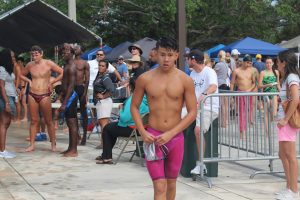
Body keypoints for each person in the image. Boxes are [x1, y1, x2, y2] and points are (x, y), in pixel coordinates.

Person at [131, 37, 197, 200]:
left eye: (169, 55)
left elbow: (192, 112)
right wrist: (142, 132)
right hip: (153, 137)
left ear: (176, 55)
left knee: (171, 184)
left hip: (175, 138)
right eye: (162, 54)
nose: (165, 59)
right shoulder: (145, 78)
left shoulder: (185, 80)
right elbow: (134, 106)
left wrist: (171, 133)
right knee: (160, 186)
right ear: (155, 54)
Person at [20, 45, 63, 152]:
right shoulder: (30, 65)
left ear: (41, 54)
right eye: (32, 54)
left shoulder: (48, 63)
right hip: (32, 94)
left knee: (48, 121)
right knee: (34, 121)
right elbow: (20, 74)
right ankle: (32, 145)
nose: (34, 56)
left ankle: (53, 144)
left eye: (36, 54)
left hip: (44, 94)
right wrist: (29, 81)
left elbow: (62, 72)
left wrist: (52, 82)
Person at [95, 77, 148, 164]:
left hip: (132, 129)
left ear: (130, 87)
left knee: (107, 128)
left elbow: (125, 118)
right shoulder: (147, 98)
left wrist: (121, 110)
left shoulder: (134, 99)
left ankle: (106, 156)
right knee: (112, 128)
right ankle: (106, 155)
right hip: (143, 129)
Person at [188, 49, 219, 175]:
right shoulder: (192, 74)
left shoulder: (209, 71)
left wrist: (204, 95)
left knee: (198, 131)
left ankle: (201, 164)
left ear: (193, 60)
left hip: (208, 107)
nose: (187, 61)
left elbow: (213, 86)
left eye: (188, 58)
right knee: (173, 118)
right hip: (195, 107)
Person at [275, 50, 300, 200]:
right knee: (282, 154)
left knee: (289, 155)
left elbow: (296, 98)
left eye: (278, 61)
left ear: (284, 62)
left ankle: (293, 190)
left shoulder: (291, 77)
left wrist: (285, 119)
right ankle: (289, 187)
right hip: (284, 120)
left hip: (287, 121)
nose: (277, 63)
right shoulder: (288, 78)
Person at [230, 54, 258, 139]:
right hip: (240, 93)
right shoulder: (236, 71)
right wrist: (231, 96)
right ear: (243, 62)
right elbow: (232, 83)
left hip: (249, 93)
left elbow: (255, 83)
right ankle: (242, 131)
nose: (249, 65)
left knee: (249, 110)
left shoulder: (252, 71)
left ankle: (250, 121)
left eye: (250, 63)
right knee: (241, 112)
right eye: (248, 63)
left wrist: (250, 89)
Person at [59, 43, 79, 157]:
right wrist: (61, 94)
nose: (63, 54)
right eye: (62, 52)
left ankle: (74, 150)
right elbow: (64, 83)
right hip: (67, 96)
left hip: (70, 97)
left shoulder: (71, 67)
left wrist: (65, 102)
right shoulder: (66, 65)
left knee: (72, 123)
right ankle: (70, 148)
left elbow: (71, 86)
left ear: (71, 53)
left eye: (65, 52)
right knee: (70, 122)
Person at [93, 60, 115, 149]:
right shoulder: (99, 77)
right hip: (100, 102)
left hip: (104, 102)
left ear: (106, 68)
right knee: (103, 124)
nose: (100, 67)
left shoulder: (105, 77)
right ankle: (104, 143)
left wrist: (103, 96)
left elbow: (112, 89)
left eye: (102, 66)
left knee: (104, 125)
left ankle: (104, 144)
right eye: (99, 65)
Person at [0, 49, 17, 158]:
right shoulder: (1, 69)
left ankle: (2, 149)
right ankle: (2, 151)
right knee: (4, 123)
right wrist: (6, 102)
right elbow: (1, 85)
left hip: (10, 96)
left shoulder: (8, 69)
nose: (13, 58)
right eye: (12, 57)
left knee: (6, 123)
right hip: (5, 98)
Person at [74, 44, 90, 145]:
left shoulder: (85, 63)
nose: (75, 49)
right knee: (72, 113)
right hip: (72, 88)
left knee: (84, 113)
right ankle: (77, 134)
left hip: (81, 87)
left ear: (81, 51)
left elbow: (87, 79)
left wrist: (85, 92)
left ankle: (84, 135)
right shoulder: (70, 62)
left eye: (77, 47)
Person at [214, 50, 229, 128]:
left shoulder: (218, 65)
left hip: (219, 84)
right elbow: (227, 75)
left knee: (221, 105)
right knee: (225, 105)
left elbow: (213, 74)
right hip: (225, 84)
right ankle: (225, 122)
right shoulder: (226, 64)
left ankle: (222, 122)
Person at [16, 57, 28, 122]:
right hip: (19, 87)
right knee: (19, 103)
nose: (19, 64)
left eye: (20, 62)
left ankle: (25, 117)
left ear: (23, 62)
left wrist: (25, 89)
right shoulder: (17, 69)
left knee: (23, 103)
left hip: (24, 87)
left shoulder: (24, 69)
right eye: (18, 63)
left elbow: (27, 81)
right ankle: (20, 116)